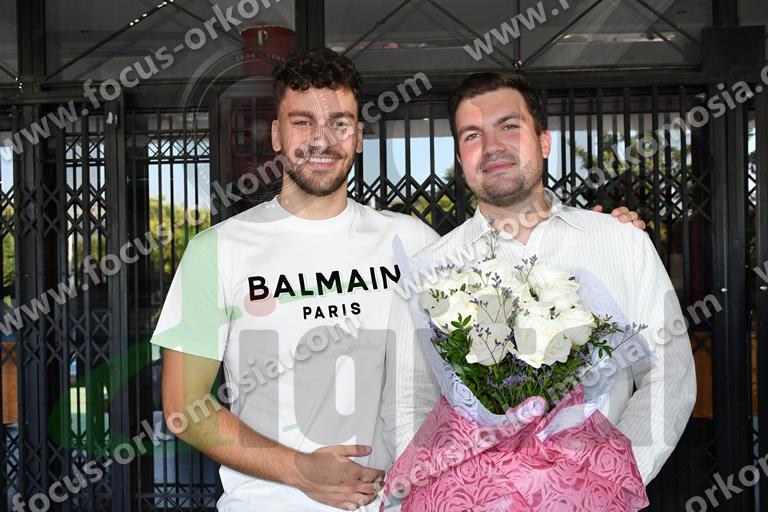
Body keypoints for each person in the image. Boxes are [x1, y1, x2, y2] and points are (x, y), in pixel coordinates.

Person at [152, 49, 646, 511]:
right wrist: (299, 470)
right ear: (277, 135)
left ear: (359, 135)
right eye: (303, 123)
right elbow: (183, 407)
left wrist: (600, 233)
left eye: (339, 123)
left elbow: (513, 284)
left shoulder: (413, 242)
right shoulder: (217, 250)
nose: (321, 140)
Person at [399, 71, 697, 489]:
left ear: (543, 141)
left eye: (509, 126)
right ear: (461, 157)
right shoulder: (431, 268)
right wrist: (457, 490)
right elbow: (409, 401)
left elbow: (669, 374)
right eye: (472, 135)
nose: (492, 147)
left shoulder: (621, 242)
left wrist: (607, 481)